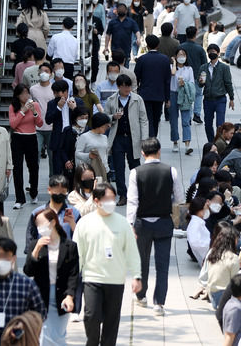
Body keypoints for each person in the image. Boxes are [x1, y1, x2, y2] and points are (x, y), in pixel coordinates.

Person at [74, 183, 142, 346]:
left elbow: (132, 251)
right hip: (92, 278)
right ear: (96, 201)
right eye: (107, 199)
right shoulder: (84, 223)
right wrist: (73, 279)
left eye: (113, 198)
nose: (111, 202)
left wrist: (136, 276)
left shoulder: (123, 223)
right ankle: (92, 342)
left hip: (115, 280)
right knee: (91, 316)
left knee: (112, 322)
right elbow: (77, 253)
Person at [127, 138, 185, 316]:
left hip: (142, 223)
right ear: (159, 151)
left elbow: (132, 201)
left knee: (142, 261)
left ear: (143, 153)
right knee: (163, 264)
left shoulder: (135, 172)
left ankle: (141, 296)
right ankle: (159, 303)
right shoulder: (171, 171)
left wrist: (130, 224)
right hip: (163, 222)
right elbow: (180, 198)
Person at [24, 208, 80, 346]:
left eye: (41, 223)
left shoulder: (70, 247)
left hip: (62, 296)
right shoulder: (35, 245)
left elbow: (73, 274)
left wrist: (70, 296)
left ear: (53, 222)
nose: (39, 227)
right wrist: (36, 249)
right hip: (41, 297)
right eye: (37, 224)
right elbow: (28, 271)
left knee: (58, 335)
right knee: (44, 336)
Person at [105, 74, 149, 205]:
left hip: (132, 137)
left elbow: (143, 119)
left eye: (129, 86)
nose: (127, 89)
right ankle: (122, 195)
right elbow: (105, 118)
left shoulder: (137, 99)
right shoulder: (111, 100)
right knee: (119, 168)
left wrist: (144, 139)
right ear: (119, 86)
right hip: (117, 138)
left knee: (135, 167)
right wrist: (113, 117)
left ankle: (139, 193)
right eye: (124, 86)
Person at [25, 175, 81, 255]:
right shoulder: (38, 213)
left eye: (63, 192)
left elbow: (81, 239)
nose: (59, 194)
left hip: (67, 259)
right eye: (57, 191)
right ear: (49, 190)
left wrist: (73, 225)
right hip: (43, 258)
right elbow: (30, 241)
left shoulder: (75, 213)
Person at [9, 84, 44, 209]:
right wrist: (23, 111)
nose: (25, 96)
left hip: (31, 137)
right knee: (17, 168)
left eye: (27, 93)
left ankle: (34, 192)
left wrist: (34, 112)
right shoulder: (13, 106)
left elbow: (40, 123)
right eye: (22, 94)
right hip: (18, 138)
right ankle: (19, 198)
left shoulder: (35, 105)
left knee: (33, 167)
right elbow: (13, 124)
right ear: (18, 95)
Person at [45, 80, 85, 181]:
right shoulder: (52, 103)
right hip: (58, 139)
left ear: (66, 92)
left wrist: (74, 109)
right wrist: (58, 108)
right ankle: (58, 193)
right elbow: (48, 120)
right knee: (57, 169)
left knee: (74, 167)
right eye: (54, 92)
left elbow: (84, 118)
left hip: (73, 137)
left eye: (58, 92)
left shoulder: (77, 102)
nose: (56, 95)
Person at [135, 34, 172, 138]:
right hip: (159, 94)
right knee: (156, 118)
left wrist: (137, 91)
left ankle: (150, 137)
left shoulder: (142, 59)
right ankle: (153, 137)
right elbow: (167, 80)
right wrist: (167, 98)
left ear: (147, 45)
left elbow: (136, 77)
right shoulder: (165, 59)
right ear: (158, 45)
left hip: (145, 94)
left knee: (147, 118)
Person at [207, 225, 241, 309]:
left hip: (212, 295)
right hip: (223, 297)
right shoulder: (232, 258)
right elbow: (235, 283)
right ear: (234, 240)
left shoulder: (213, 253)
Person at [198, 43, 234, 142]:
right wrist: (200, 82)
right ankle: (211, 142)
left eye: (213, 52)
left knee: (220, 124)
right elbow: (200, 84)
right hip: (208, 99)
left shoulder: (224, 68)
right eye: (209, 52)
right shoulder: (203, 67)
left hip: (220, 99)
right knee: (208, 124)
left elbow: (228, 83)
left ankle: (219, 143)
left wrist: (231, 98)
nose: (211, 54)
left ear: (218, 53)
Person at [180, 26, 207, 124]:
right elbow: (204, 64)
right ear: (195, 35)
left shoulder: (181, 47)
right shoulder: (199, 48)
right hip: (197, 75)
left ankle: (188, 115)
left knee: (187, 95)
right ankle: (197, 114)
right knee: (198, 95)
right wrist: (203, 78)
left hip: (183, 76)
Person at [170, 48, 195, 154]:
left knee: (186, 120)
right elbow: (172, 74)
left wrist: (184, 84)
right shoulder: (171, 67)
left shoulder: (189, 69)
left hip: (184, 94)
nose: (182, 57)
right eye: (179, 55)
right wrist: (174, 62)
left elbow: (192, 83)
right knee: (174, 120)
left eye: (183, 55)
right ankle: (175, 142)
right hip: (173, 94)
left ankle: (187, 144)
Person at [30, 62, 55, 167]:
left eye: (46, 71)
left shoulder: (54, 88)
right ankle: (33, 180)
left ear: (51, 74)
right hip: (37, 128)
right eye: (42, 71)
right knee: (34, 155)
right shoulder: (33, 89)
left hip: (52, 127)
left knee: (52, 156)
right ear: (38, 73)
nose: (44, 73)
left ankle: (53, 180)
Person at [75, 112, 112, 178]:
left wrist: (107, 168)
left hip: (104, 170)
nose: (107, 127)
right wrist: (88, 155)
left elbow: (105, 154)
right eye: (106, 125)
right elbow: (77, 153)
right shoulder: (84, 137)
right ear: (99, 124)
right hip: (89, 171)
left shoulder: (104, 137)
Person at [105, 4, 142, 68]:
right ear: (117, 11)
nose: (121, 10)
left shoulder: (131, 22)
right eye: (119, 9)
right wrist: (106, 47)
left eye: (122, 9)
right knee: (115, 67)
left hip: (126, 49)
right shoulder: (112, 22)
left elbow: (137, 31)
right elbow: (108, 35)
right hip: (115, 49)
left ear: (126, 11)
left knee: (125, 68)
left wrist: (138, 39)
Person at [186, 196, 211, 264]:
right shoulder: (195, 224)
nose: (208, 210)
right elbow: (195, 243)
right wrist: (212, 246)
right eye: (206, 208)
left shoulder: (198, 222)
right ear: (200, 210)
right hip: (207, 256)